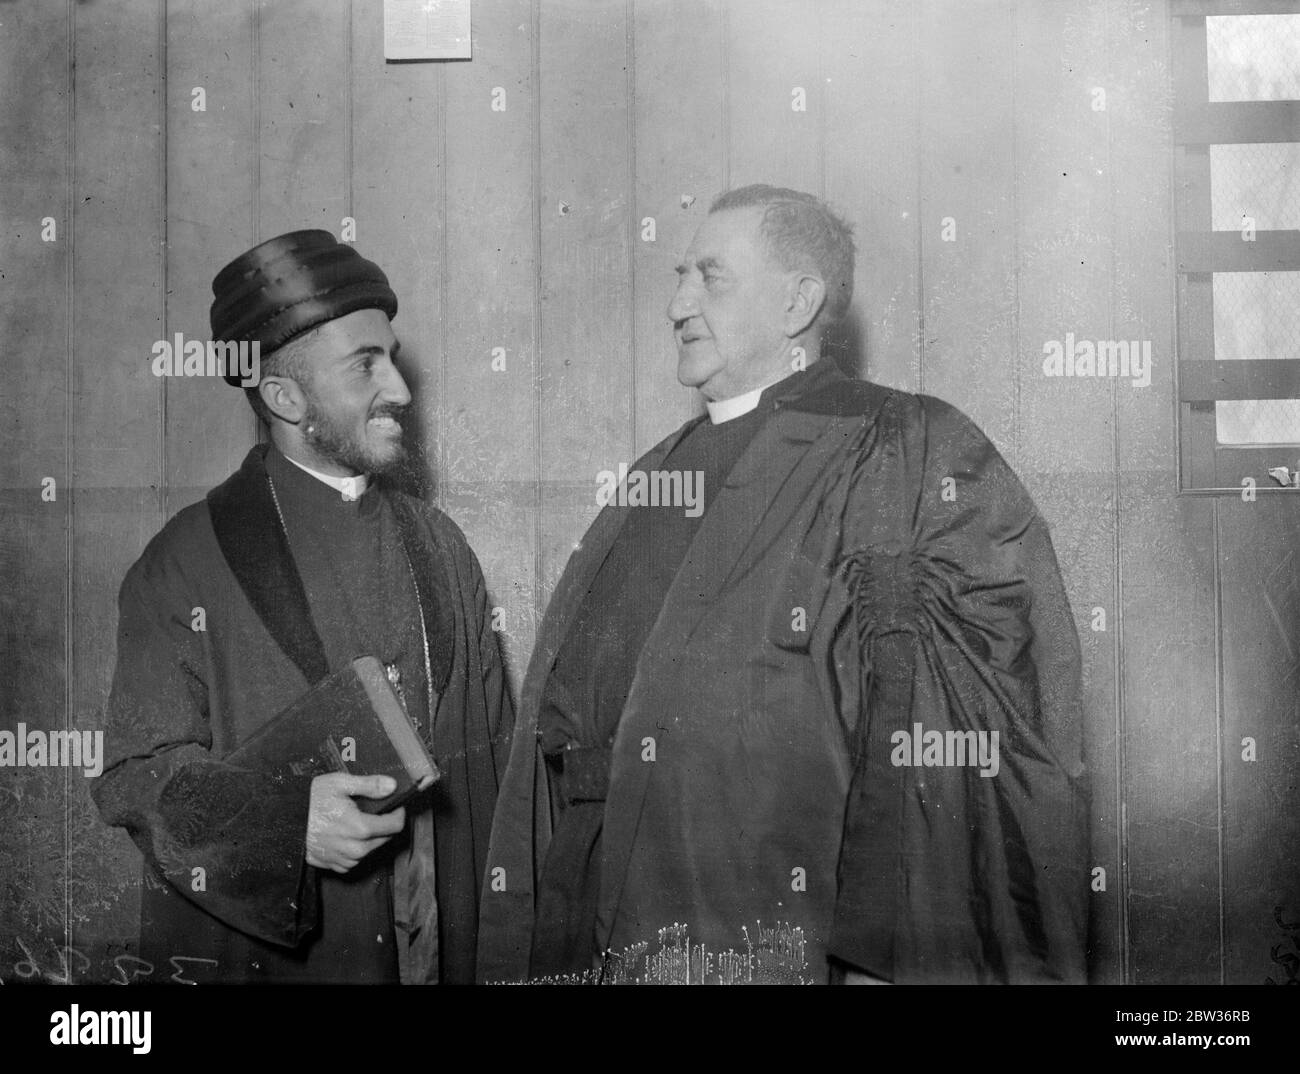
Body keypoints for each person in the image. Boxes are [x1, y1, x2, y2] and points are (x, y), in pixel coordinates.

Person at [478, 185, 1088, 985]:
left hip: (766, 935)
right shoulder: (654, 473)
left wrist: (876, 958)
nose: (677, 303)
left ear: (800, 300)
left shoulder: (903, 447)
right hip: (595, 917)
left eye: (710, 277)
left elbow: (938, 738)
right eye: (678, 276)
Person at [94, 230, 513, 984]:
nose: (401, 390)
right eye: (365, 366)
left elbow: (499, 771)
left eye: (391, 355)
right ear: (284, 396)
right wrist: (284, 822)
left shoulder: (442, 547)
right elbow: (134, 775)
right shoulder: (183, 562)